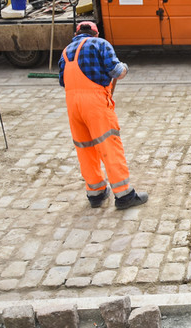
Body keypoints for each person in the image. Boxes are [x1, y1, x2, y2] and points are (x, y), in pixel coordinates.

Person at [58, 21, 148, 210]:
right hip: (95, 103)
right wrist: (125, 66)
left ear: (77, 34)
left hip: (72, 104)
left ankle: (96, 193)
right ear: (95, 33)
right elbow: (116, 71)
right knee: (109, 145)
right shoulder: (100, 44)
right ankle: (124, 195)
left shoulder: (66, 51)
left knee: (85, 147)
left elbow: (62, 81)